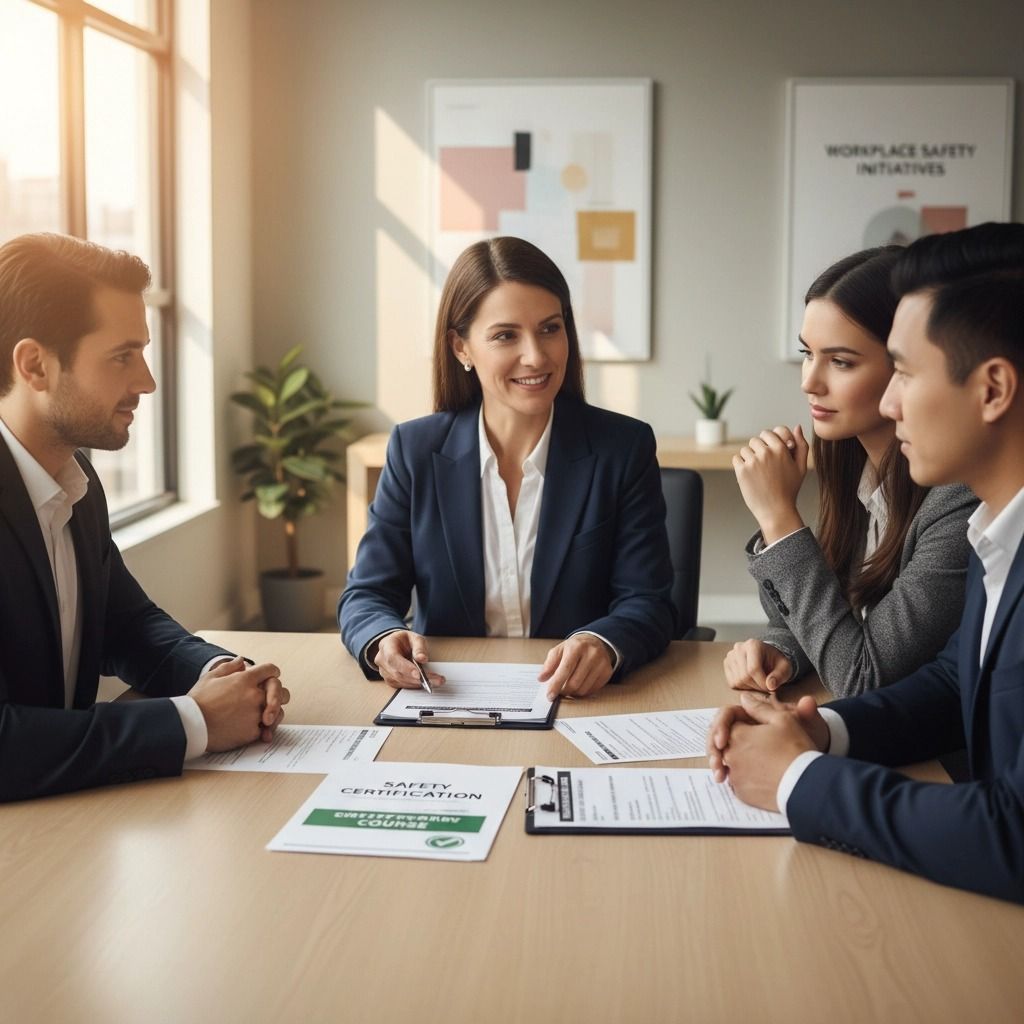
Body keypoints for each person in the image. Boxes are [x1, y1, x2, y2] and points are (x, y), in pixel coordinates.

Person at [708, 221, 1024, 904]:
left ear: (994, 389)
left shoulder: (959, 508)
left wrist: (798, 780)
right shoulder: (998, 530)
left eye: (903, 372)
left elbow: (1014, 833)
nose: (886, 403)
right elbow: (951, 682)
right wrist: (825, 729)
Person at [0, 232, 289, 803]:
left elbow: (128, 626)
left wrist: (224, 674)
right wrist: (193, 722)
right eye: (122, 356)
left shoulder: (74, 480)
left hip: (61, 823)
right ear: (35, 365)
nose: (147, 382)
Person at [339, 237, 675, 699]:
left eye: (550, 329)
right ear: (461, 347)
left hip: (578, 700)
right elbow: (367, 595)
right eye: (505, 335)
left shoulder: (623, 448)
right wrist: (381, 639)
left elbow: (648, 601)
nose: (536, 356)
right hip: (449, 697)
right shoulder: (415, 450)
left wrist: (604, 642)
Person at [726, 246, 976, 697]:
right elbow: (833, 618)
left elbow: (862, 677)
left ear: (904, 366)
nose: (809, 381)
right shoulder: (854, 466)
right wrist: (783, 648)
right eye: (808, 353)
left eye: (841, 362)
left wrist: (779, 519)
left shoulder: (958, 499)